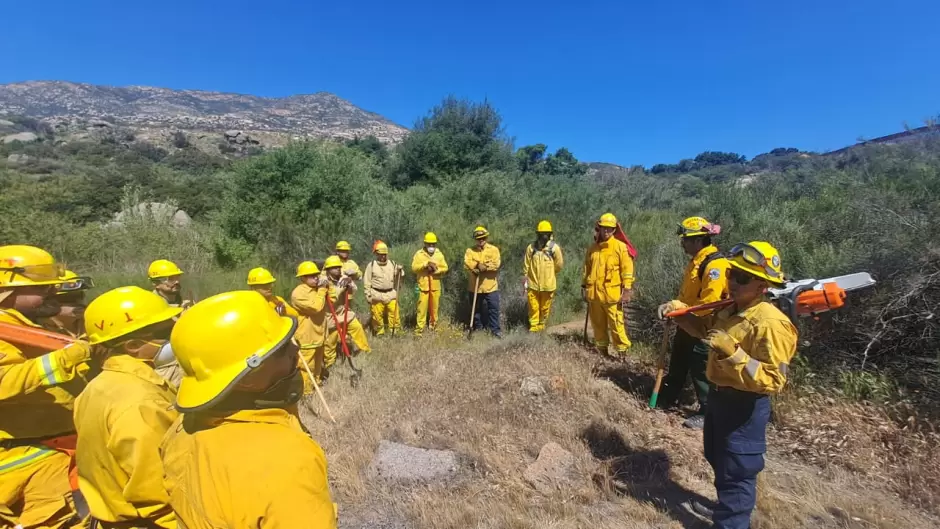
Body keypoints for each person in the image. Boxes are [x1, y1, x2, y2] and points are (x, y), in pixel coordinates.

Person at [160, 291, 337, 528]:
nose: (296, 351)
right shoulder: (288, 461)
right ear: (247, 378)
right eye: (282, 349)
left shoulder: (180, 429)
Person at [664, 241, 797, 529]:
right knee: (718, 459)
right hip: (719, 399)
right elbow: (703, 330)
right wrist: (680, 314)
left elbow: (774, 380)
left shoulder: (771, 324)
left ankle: (732, 521)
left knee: (738, 472)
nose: (733, 281)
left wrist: (734, 353)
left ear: (763, 284)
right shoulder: (729, 309)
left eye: (743, 278)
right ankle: (727, 510)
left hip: (745, 407)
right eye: (731, 274)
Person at [0, 245, 93, 529]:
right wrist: (68, 357)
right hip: (29, 454)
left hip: (59, 448)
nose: (53, 293)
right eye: (43, 288)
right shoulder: (5, 332)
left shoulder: (27, 326)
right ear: (7, 289)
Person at [73, 286, 181, 528]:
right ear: (133, 345)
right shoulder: (141, 403)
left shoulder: (98, 385)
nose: (175, 335)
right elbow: (157, 490)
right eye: (166, 331)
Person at [656, 216, 729, 429]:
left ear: (698, 240)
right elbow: (687, 296)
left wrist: (678, 307)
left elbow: (709, 304)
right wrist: (676, 310)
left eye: (686, 239)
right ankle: (668, 396)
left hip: (705, 326)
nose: (682, 243)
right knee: (678, 360)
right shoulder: (696, 261)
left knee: (701, 368)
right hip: (687, 322)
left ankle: (708, 412)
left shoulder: (715, 265)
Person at [582, 213, 634, 357]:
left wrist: (627, 289)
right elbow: (587, 268)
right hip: (594, 295)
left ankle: (622, 355)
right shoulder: (593, 248)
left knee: (617, 326)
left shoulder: (620, 247)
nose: (605, 232)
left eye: (609, 229)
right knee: (598, 326)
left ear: (614, 230)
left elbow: (627, 270)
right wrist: (584, 287)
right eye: (603, 228)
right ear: (599, 229)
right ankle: (603, 353)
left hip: (612, 296)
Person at [322, 256, 371, 363]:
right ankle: (329, 362)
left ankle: (365, 350)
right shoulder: (322, 281)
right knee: (331, 340)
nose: (338, 269)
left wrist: (349, 282)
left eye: (339, 267)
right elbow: (332, 298)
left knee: (357, 327)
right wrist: (341, 288)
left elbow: (354, 289)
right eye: (334, 267)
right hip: (329, 315)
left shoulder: (342, 277)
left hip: (343, 311)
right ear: (328, 269)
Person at [291, 261, 330, 389]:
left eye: (316, 275)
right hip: (307, 335)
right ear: (302, 278)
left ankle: (316, 383)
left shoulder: (318, 289)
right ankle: (306, 390)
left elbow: (333, 300)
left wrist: (329, 286)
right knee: (306, 365)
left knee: (318, 363)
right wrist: (322, 290)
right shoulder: (298, 294)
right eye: (311, 275)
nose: (315, 278)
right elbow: (316, 307)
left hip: (319, 333)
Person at [523, 220, 564, 332]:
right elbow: (526, 265)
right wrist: (525, 279)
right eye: (542, 234)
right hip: (533, 284)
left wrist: (551, 273)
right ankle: (533, 328)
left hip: (548, 285)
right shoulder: (531, 248)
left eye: (546, 233)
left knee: (545, 308)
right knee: (533, 307)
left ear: (550, 234)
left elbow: (559, 265)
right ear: (538, 234)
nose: (544, 236)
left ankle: (542, 327)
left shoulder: (554, 248)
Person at [464, 226, 502, 337]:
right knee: (476, 311)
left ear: (486, 237)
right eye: (479, 238)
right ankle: (478, 330)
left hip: (491, 287)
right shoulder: (470, 251)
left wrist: (485, 267)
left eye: (483, 238)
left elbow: (496, 265)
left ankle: (495, 331)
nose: (481, 240)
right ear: (475, 239)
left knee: (493, 309)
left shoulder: (494, 250)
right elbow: (467, 263)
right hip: (474, 287)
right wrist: (476, 265)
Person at [412, 232, 448, 336]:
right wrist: (425, 265)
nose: (431, 246)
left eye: (433, 244)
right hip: (422, 287)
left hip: (435, 287)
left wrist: (436, 270)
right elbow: (414, 268)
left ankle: (433, 327)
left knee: (434, 309)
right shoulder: (419, 254)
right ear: (425, 244)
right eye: (429, 244)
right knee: (421, 310)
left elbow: (445, 268)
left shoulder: (439, 254)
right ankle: (419, 330)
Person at [363, 242, 403, 336]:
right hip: (376, 294)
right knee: (377, 315)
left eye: (384, 254)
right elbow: (367, 282)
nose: (383, 257)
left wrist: (400, 271)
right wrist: (368, 295)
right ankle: (379, 332)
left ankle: (395, 331)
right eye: (380, 255)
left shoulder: (392, 264)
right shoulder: (371, 265)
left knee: (394, 313)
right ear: (376, 254)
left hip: (390, 293)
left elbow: (399, 277)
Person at [41, 269, 94, 337]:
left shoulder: (91, 324)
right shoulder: (39, 330)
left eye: (79, 296)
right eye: (69, 298)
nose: (78, 303)